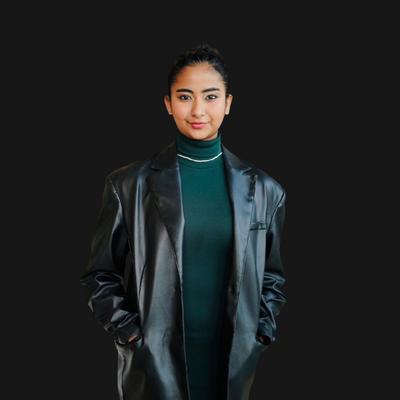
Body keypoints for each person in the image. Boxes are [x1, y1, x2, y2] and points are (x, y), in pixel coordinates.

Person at [80, 42, 287, 400]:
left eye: (210, 97)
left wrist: (261, 331)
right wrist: (130, 334)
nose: (198, 110)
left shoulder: (266, 190)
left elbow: (272, 276)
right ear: (168, 103)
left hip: (232, 359)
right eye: (185, 97)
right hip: (154, 360)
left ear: (228, 103)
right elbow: (99, 274)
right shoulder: (129, 184)